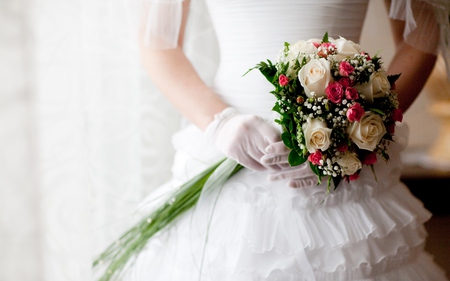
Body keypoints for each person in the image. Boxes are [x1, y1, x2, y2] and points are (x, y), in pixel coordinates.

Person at [120, 0, 450, 280]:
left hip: (343, 167)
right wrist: (220, 124)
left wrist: (358, 132)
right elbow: (158, 43)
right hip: (228, 153)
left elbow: (421, 34)